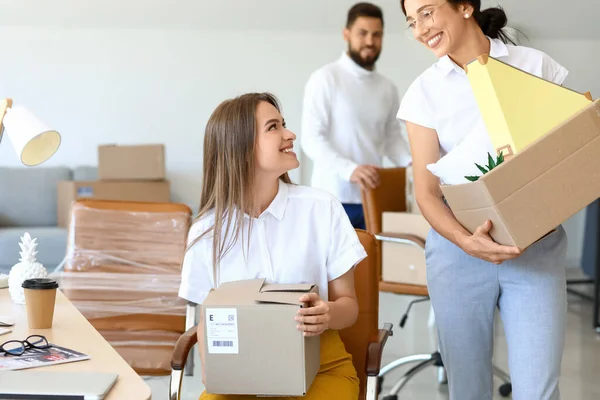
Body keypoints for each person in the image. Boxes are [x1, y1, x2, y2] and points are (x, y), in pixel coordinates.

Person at [398, 1, 569, 400]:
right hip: (459, 253)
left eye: (427, 12)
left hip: (535, 246)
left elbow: (565, 155)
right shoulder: (424, 92)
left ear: (464, 7)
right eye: (411, 21)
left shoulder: (535, 66)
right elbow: (425, 193)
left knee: (538, 392)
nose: (421, 29)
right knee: (468, 392)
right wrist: (465, 241)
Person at [178, 92, 367, 400]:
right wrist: (218, 375)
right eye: (273, 127)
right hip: (240, 376)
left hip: (320, 367)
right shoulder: (206, 231)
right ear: (240, 146)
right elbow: (207, 323)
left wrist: (327, 314)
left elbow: (350, 307)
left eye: (284, 124)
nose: (289, 134)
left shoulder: (321, 208)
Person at [301, 2, 412, 230]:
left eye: (376, 34)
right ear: (346, 34)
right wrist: (349, 169)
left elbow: (392, 138)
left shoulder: (387, 88)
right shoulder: (325, 78)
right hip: (333, 197)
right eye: (363, 33)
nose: (370, 41)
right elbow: (311, 139)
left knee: (373, 264)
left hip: (374, 196)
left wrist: (413, 165)